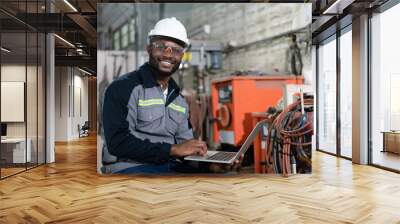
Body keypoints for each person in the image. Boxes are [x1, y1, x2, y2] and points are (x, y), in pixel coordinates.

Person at [102, 17, 238, 174]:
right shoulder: (123, 88)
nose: (168, 54)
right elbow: (118, 142)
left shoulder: (179, 100)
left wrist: (209, 165)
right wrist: (173, 150)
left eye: (176, 49)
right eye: (161, 46)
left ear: (182, 55)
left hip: (170, 166)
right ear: (149, 48)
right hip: (130, 167)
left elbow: (184, 148)